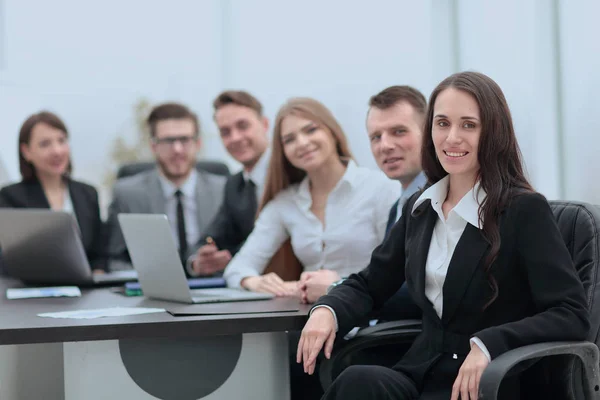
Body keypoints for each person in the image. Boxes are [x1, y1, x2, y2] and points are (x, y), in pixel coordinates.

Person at [297, 71, 590, 400]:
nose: (452, 138)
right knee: (358, 381)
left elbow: (571, 313)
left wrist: (489, 344)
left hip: (486, 383)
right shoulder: (421, 208)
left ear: (493, 132)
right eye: (442, 123)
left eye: (468, 125)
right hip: (421, 372)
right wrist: (328, 310)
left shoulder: (523, 210)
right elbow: (370, 283)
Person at [223, 97, 398, 300]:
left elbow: (395, 275)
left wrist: (338, 285)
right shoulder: (285, 203)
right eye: (289, 139)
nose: (302, 143)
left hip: (370, 321)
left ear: (332, 131)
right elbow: (236, 269)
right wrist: (254, 281)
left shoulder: (381, 188)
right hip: (308, 322)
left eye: (311, 130)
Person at [105, 102, 226, 272]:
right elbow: (113, 260)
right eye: (168, 141)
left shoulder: (222, 191)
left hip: (214, 286)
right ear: (153, 146)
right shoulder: (127, 194)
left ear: (198, 144)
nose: (177, 149)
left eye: (184, 140)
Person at [0, 111, 106, 272]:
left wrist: (98, 273)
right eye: (45, 144)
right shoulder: (10, 197)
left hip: (86, 290)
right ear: (26, 151)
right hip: (35, 289)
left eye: (61, 141)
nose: (57, 151)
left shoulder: (88, 193)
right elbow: (8, 259)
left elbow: (99, 254)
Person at [188, 90, 270, 277]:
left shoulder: (288, 174)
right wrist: (199, 261)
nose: (235, 137)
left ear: (264, 124)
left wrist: (230, 257)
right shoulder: (235, 185)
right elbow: (209, 238)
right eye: (225, 132)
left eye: (243, 126)